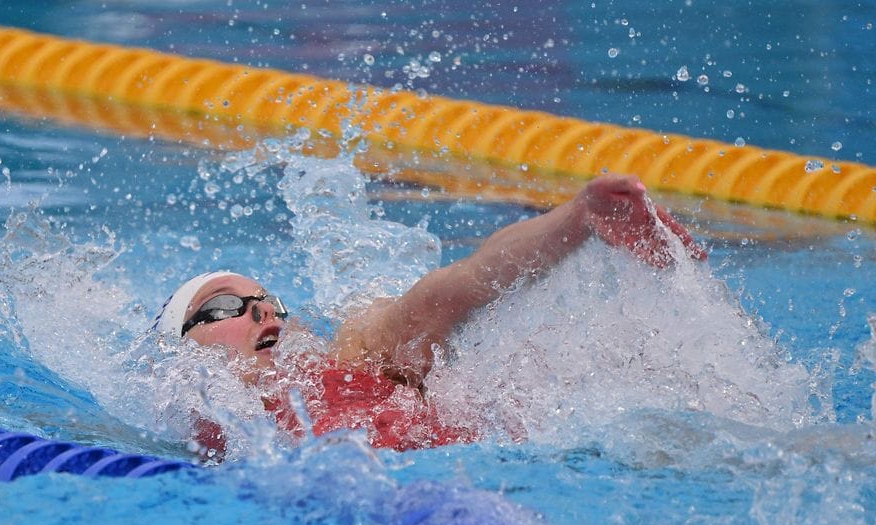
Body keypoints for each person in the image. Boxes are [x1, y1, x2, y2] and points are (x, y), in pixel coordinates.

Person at [153, 175, 707, 458]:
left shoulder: (359, 353)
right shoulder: (195, 431)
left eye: (271, 302)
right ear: (181, 348)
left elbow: (459, 286)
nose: (262, 310)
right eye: (226, 305)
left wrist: (578, 219)